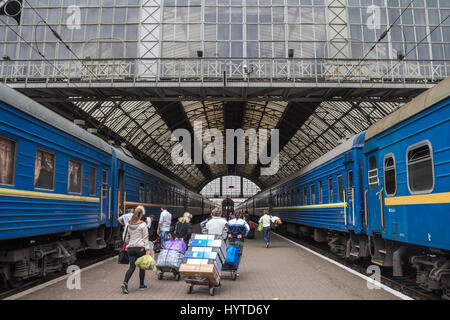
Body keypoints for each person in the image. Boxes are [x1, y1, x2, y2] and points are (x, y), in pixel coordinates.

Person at [121, 206, 151, 294]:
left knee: (131, 267)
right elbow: (145, 238)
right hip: (140, 248)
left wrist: (130, 242)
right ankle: (141, 285)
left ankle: (125, 283)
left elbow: (124, 237)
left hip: (130, 248)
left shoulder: (128, 224)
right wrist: (147, 249)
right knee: (142, 267)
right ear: (141, 214)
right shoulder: (143, 224)